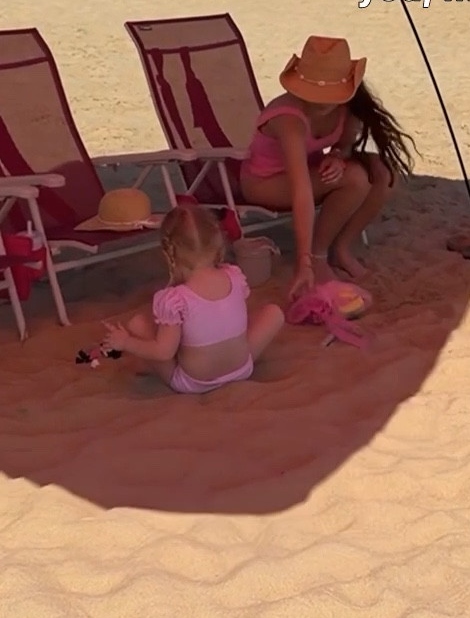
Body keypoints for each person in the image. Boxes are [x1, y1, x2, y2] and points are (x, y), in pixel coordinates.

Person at [238, 35, 412, 299]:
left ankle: (341, 247)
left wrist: (338, 156)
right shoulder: (288, 118)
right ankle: (318, 256)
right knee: (354, 178)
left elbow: (344, 145)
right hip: (265, 182)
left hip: (309, 171)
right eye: (315, 95)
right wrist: (304, 261)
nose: (322, 103)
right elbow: (301, 189)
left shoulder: (349, 108)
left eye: (330, 95)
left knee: (382, 172)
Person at [101, 204, 284, 393]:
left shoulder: (175, 299)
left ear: (168, 253)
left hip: (194, 383)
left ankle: (150, 365)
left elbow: (164, 352)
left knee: (138, 324)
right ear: (216, 243)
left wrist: (125, 343)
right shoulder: (234, 275)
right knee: (274, 312)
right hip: (241, 369)